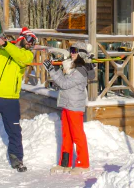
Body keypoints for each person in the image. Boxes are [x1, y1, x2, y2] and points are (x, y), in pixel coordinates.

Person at [0, 27, 36, 175]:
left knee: (14, 131)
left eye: (33, 42)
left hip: (10, 99)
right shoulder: (1, 51)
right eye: (29, 40)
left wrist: (5, 45)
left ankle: (17, 159)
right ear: (21, 39)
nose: (31, 44)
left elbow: (19, 56)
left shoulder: (26, 55)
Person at [48, 41, 95, 175]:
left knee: (77, 135)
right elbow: (63, 80)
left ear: (80, 53)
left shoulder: (81, 70)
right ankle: (65, 163)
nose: (72, 53)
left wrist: (52, 71)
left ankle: (83, 164)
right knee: (66, 135)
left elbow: (64, 83)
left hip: (75, 106)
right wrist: (55, 68)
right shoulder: (74, 67)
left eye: (74, 51)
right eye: (71, 50)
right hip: (66, 104)